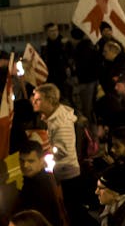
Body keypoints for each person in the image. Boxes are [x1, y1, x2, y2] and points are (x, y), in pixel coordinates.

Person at [29, 84, 88, 226]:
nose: (34, 102)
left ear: (50, 101)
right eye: (34, 99)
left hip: (67, 174)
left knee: (73, 213)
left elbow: (63, 149)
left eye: (38, 100)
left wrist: (43, 153)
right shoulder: (49, 117)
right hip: (60, 172)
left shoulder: (61, 122)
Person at [12, 140, 68, 226]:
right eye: (22, 160)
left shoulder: (43, 184)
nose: (25, 165)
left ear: (41, 161)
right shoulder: (27, 179)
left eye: (31, 161)